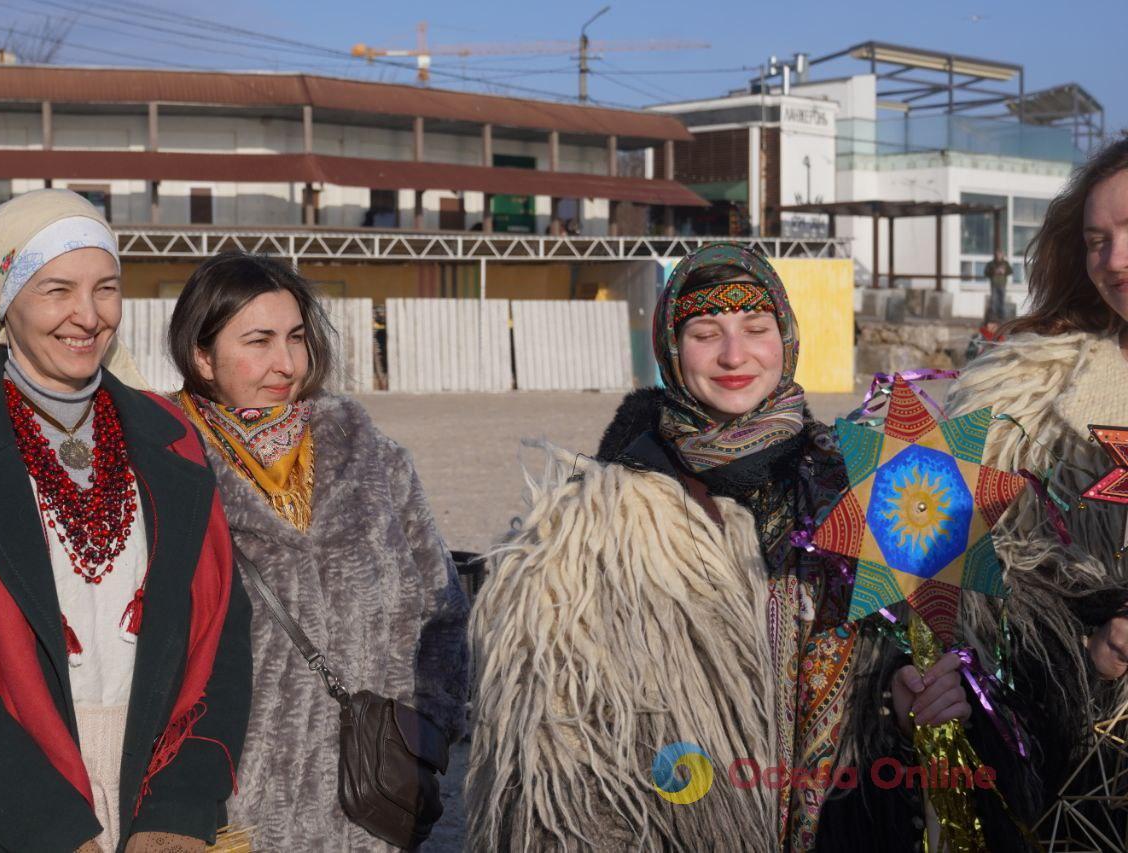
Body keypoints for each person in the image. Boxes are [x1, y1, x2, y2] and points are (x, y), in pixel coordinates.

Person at [466, 242, 1118, 852]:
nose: (733, 354)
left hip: (853, 818)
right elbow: (564, 747)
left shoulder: (860, 478)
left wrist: (902, 693)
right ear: (670, 347)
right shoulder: (603, 522)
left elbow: (985, 641)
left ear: (786, 336)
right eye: (703, 333)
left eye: (756, 328)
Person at [0, 189, 253, 853]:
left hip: (150, 801)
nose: (88, 314)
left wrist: (178, 809)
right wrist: (53, 830)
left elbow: (221, 639)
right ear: (6, 298)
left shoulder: (172, 442)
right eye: (56, 289)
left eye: (106, 287)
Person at [166, 251, 470, 850]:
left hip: (372, 802)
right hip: (232, 812)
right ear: (202, 356)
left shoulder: (375, 460)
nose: (285, 363)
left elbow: (443, 608)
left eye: (296, 338)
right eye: (258, 341)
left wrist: (426, 731)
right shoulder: (163, 471)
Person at [945, 136, 1128, 830]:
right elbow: (946, 576)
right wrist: (1067, 646)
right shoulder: (1027, 394)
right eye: (1095, 240)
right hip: (1083, 781)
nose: (1111, 261)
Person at [983, 250, 1014, 324]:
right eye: (997, 255)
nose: (998, 256)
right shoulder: (991, 264)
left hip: (1002, 284)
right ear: (995, 256)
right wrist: (994, 272)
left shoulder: (1005, 263)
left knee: (1002, 301)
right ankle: (993, 317)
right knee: (993, 300)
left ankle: (1002, 317)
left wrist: (1004, 271)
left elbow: (1011, 271)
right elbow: (986, 273)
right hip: (994, 284)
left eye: (1000, 255)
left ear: (1002, 255)